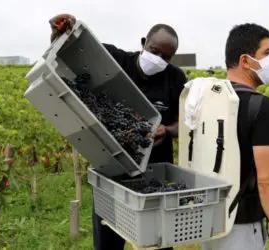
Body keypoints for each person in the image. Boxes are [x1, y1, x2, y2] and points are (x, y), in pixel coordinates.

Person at [49, 14, 186, 250]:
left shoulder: (175, 78)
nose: (159, 59)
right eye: (154, 51)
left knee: (159, 240)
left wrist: (168, 129)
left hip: (154, 170)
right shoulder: (114, 59)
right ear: (143, 42)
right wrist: (59, 33)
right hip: (112, 167)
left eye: (166, 57)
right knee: (108, 240)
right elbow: (66, 53)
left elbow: (184, 123)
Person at [202, 23, 269, 250]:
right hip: (241, 228)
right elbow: (268, 180)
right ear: (245, 61)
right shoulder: (261, 106)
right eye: (267, 53)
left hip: (210, 220)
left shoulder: (205, 100)